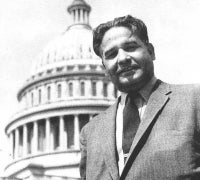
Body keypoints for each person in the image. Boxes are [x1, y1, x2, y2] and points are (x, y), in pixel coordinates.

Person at [79, 15, 200, 180]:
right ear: (105, 69)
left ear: (151, 51)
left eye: (130, 47)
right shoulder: (90, 132)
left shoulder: (194, 100)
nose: (122, 59)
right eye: (111, 54)